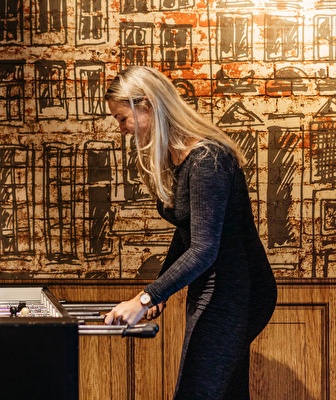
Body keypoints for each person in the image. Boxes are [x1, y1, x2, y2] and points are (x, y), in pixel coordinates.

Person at [102, 66, 277, 399]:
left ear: (148, 105)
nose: (122, 129)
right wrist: (159, 293)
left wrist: (145, 298)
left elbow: (203, 249)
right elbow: (186, 235)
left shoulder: (207, 160)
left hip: (235, 292)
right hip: (220, 288)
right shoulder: (184, 160)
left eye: (122, 118)